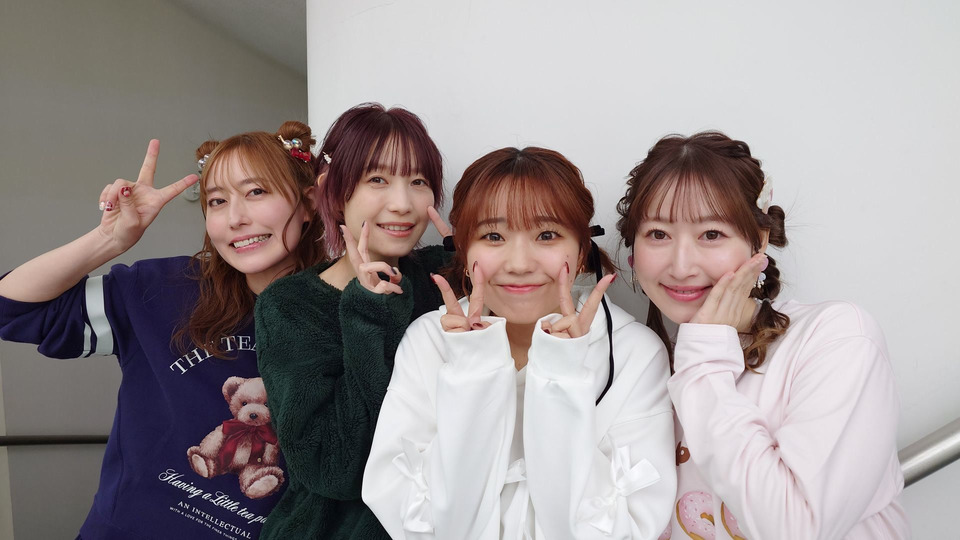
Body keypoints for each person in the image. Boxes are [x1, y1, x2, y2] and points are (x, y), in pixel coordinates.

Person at [0, 121, 325, 539]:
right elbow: (12, 309)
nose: (235, 218)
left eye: (256, 192)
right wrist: (108, 240)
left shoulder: (344, 315)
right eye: (217, 201)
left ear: (309, 202)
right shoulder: (164, 291)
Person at [363, 146, 677, 539]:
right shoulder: (429, 342)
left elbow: (621, 530)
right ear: (464, 252)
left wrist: (562, 372)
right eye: (493, 236)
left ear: (582, 251)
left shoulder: (633, 353)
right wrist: (473, 368)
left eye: (547, 235)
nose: (519, 263)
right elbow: (427, 527)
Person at [616, 131, 909, 539]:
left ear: (760, 240)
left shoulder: (837, 339)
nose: (681, 266)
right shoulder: (637, 368)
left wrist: (703, 359)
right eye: (658, 234)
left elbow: (795, 528)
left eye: (711, 234)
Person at [254, 103, 452, 539]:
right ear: (332, 190)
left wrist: (475, 255)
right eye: (377, 179)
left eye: (418, 181)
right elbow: (333, 468)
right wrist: (368, 311)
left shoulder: (445, 280)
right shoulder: (290, 306)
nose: (402, 204)